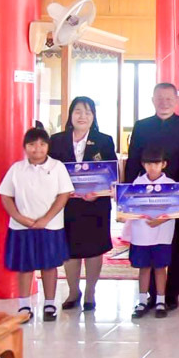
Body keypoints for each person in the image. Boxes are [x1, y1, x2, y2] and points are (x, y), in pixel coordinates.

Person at [125, 83, 179, 311]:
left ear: (176, 100)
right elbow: (133, 160)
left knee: (175, 243)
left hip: (176, 195)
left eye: (169, 98)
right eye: (160, 98)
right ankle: (149, 295)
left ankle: (170, 293)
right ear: (153, 100)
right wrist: (126, 192)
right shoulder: (142, 126)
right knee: (146, 241)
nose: (164, 102)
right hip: (145, 196)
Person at [0, 128, 73, 322]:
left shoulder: (57, 167)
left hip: (50, 226)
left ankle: (49, 304)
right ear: (25, 147)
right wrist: (19, 217)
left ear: (48, 146)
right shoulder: (17, 168)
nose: (37, 149)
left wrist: (45, 219)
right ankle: (24, 306)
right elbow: (5, 196)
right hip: (22, 227)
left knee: (49, 266)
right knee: (25, 266)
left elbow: (64, 195)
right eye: (32, 144)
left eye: (42, 144)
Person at [50, 96, 117, 312]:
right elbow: (49, 171)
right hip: (67, 203)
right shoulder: (56, 140)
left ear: (93, 116)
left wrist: (98, 192)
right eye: (78, 111)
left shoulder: (104, 140)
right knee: (70, 249)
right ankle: (73, 291)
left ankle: (90, 292)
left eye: (88, 112)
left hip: (95, 204)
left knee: (94, 249)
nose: (83, 116)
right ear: (70, 114)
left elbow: (111, 173)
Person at [128, 146, 176, 320]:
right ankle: (142, 301)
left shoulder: (170, 184)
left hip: (162, 232)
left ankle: (161, 301)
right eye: (149, 164)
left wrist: (160, 220)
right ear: (143, 164)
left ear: (164, 164)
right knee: (144, 267)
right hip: (141, 232)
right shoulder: (137, 183)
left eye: (156, 164)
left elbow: (176, 208)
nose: (152, 167)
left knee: (160, 267)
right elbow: (129, 205)